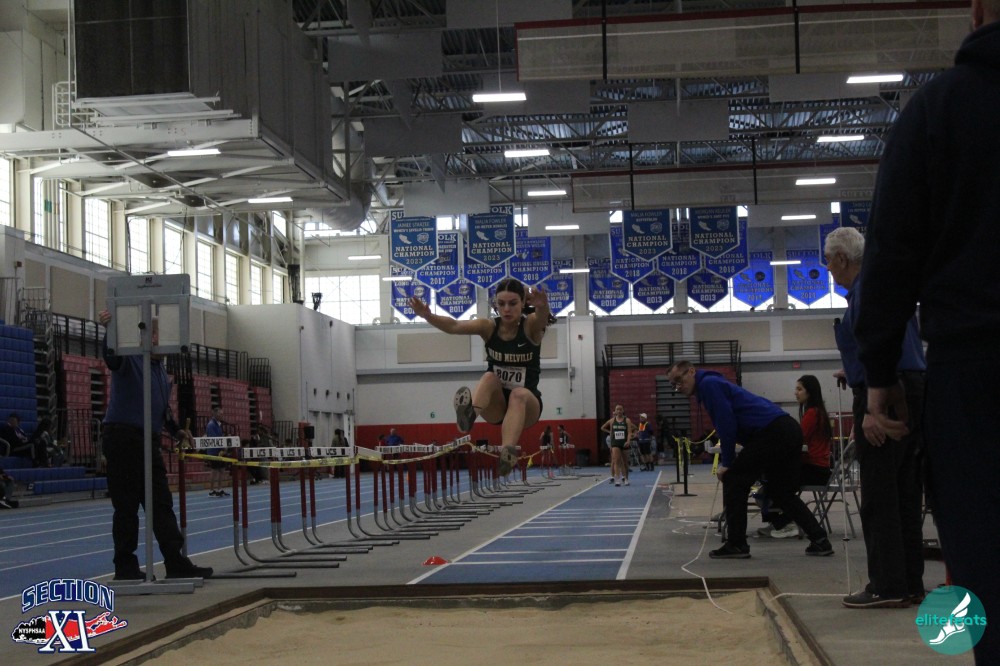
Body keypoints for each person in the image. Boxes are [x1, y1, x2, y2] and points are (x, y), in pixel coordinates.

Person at [853, 4, 1000, 655]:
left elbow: (890, 254)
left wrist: (879, 372)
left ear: (977, 12)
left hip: (978, 370)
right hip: (965, 365)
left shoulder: (938, 111)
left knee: (986, 561)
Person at [825, 227, 926, 609]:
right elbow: (887, 346)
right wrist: (853, 372)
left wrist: (872, 407)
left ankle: (886, 585)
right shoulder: (884, 289)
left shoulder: (866, 293)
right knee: (904, 492)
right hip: (910, 387)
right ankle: (910, 582)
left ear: (842, 259)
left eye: (829, 261)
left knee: (881, 494)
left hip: (886, 393)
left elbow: (883, 352)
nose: (828, 268)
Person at [666, 361, 833, 559]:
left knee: (734, 479)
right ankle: (820, 539)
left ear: (692, 371)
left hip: (775, 432)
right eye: (674, 384)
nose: (678, 387)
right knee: (781, 492)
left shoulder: (709, 384)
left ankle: (736, 544)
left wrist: (727, 463)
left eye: (679, 380)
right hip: (786, 430)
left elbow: (726, 423)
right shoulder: (711, 385)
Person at [98, 309, 213, 580]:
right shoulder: (130, 358)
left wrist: (176, 431)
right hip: (122, 438)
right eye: (162, 334)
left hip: (147, 439)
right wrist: (109, 330)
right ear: (147, 337)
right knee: (126, 506)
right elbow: (111, 358)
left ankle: (175, 561)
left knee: (161, 502)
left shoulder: (160, 370)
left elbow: (162, 408)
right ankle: (125, 567)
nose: (167, 341)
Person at [410, 277, 550, 477]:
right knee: (489, 377)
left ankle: (507, 452)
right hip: (496, 405)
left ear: (522, 303)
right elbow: (454, 326)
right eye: (501, 304)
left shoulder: (530, 326)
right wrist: (427, 315)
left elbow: (542, 318)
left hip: (527, 406)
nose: (507, 309)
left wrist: (542, 306)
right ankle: (469, 415)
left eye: (512, 303)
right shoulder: (489, 326)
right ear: (496, 305)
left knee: (518, 394)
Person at [757, 376, 832, 539]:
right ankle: (780, 521)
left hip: (815, 470)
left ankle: (785, 522)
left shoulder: (812, 413)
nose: (795, 393)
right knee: (773, 482)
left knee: (774, 483)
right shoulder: (818, 411)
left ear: (809, 392)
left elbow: (796, 438)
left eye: (799, 389)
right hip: (820, 469)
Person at [601, 404, 634, 486]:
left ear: (623, 410)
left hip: (624, 443)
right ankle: (617, 479)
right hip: (615, 443)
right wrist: (610, 433)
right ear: (615, 411)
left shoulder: (627, 420)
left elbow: (629, 432)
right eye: (617, 409)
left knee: (625, 462)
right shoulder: (612, 421)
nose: (619, 411)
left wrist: (628, 441)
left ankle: (626, 478)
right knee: (616, 461)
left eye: (620, 409)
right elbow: (604, 428)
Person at [204, 407, 230, 497]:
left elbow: (220, 437)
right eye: (220, 414)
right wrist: (223, 448)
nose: (222, 415)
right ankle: (211, 490)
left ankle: (219, 489)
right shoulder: (211, 425)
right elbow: (214, 439)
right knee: (214, 470)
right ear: (214, 414)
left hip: (220, 451)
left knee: (221, 470)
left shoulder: (218, 424)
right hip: (214, 451)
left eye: (222, 414)